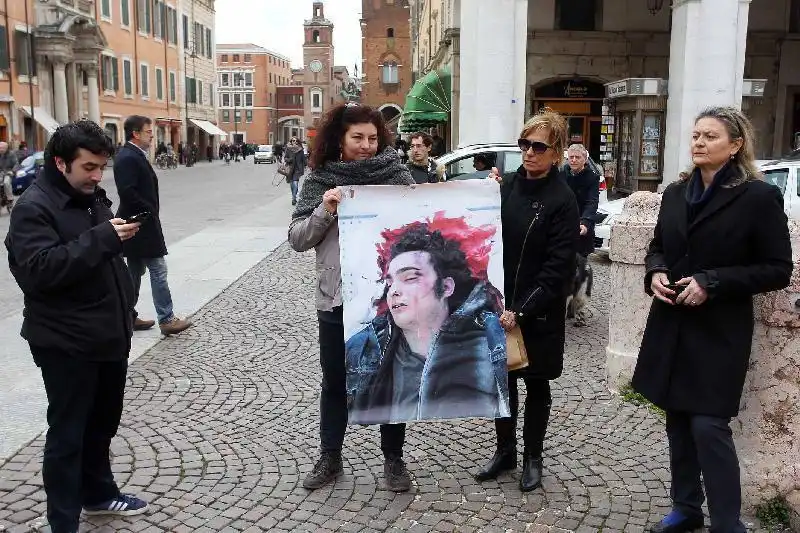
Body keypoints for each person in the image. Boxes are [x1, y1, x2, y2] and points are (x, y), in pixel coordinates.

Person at [633, 107, 793, 533]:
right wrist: (656, 272)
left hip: (719, 330)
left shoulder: (758, 197)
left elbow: (778, 268)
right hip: (672, 324)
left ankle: (727, 523)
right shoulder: (675, 192)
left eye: (711, 136)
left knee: (708, 425)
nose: (699, 142)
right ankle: (686, 508)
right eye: (696, 135)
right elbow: (657, 247)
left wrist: (713, 282)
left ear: (736, 145)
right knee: (678, 420)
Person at [4, 120, 149, 533]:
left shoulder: (90, 196)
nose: (96, 176)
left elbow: (96, 254)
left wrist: (116, 236)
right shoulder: (33, 207)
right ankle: (63, 520)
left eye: (101, 166)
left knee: (101, 424)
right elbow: (37, 271)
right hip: (65, 341)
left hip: (105, 333)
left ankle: (99, 495)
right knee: (68, 434)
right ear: (60, 162)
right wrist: (104, 238)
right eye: (88, 167)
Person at [288, 103, 415, 492]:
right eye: (357, 138)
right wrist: (325, 210)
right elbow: (297, 239)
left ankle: (393, 460)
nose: (366, 146)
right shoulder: (320, 178)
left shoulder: (395, 175)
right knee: (335, 381)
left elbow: (424, 217)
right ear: (339, 140)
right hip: (336, 297)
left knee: (391, 377)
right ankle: (330, 456)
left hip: (384, 296)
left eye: (373, 138)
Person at [474, 109, 579, 492]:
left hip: (538, 310)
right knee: (504, 381)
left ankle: (533, 457)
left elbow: (558, 267)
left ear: (556, 152)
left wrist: (523, 309)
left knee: (536, 383)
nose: (529, 152)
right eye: (524, 144)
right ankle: (505, 452)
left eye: (538, 146)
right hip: (503, 304)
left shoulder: (562, 199)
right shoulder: (508, 186)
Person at [345, 217, 510, 424]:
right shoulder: (364, 346)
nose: (394, 290)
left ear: (447, 287)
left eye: (410, 278)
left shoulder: (487, 340)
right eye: (390, 282)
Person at [114, 115, 192, 336]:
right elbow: (127, 192)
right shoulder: (128, 157)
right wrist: (148, 211)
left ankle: (127, 316)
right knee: (158, 270)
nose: (151, 135)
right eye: (148, 132)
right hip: (140, 225)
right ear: (135, 134)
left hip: (140, 224)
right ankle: (166, 319)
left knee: (134, 273)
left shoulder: (133, 155)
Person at [563, 144, 600, 257]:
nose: (574, 160)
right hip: (562, 225)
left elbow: (592, 202)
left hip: (581, 224)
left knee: (579, 264)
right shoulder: (561, 174)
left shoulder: (592, 177)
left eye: (577, 157)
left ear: (584, 159)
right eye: (571, 157)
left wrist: (585, 223)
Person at [283, 137, 307, 205]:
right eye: (293, 140)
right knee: (291, 185)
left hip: (298, 169)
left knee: (295, 184)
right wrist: (289, 159)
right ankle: (294, 196)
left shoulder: (300, 149)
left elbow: (303, 159)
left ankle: (294, 198)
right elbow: (285, 158)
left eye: (296, 141)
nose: (295, 142)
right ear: (291, 141)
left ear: (298, 142)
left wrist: (306, 165)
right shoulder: (288, 149)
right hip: (290, 169)